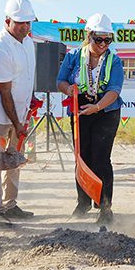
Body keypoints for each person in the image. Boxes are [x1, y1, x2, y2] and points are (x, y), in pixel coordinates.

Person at [56, 13, 124, 224]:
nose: (103, 44)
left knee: (101, 158)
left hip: (105, 111)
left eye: (107, 39)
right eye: (99, 39)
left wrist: (96, 107)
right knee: (82, 157)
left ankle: (105, 207)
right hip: (80, 110)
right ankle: (83, 202)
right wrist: (69, 89)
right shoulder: (73, 57)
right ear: (89, 35)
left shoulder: (115, 61)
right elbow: (60, 80)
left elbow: (114, 91)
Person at [0, 0, 37, 228]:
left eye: (28, 22)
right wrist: (17, 122)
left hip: (19, 112)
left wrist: (29, 105)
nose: (24, 27)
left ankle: (11, 204)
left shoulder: (28, 42)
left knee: (14, 159)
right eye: (19, 22)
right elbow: (4, 92)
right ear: (7, 21)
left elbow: (26, 77)